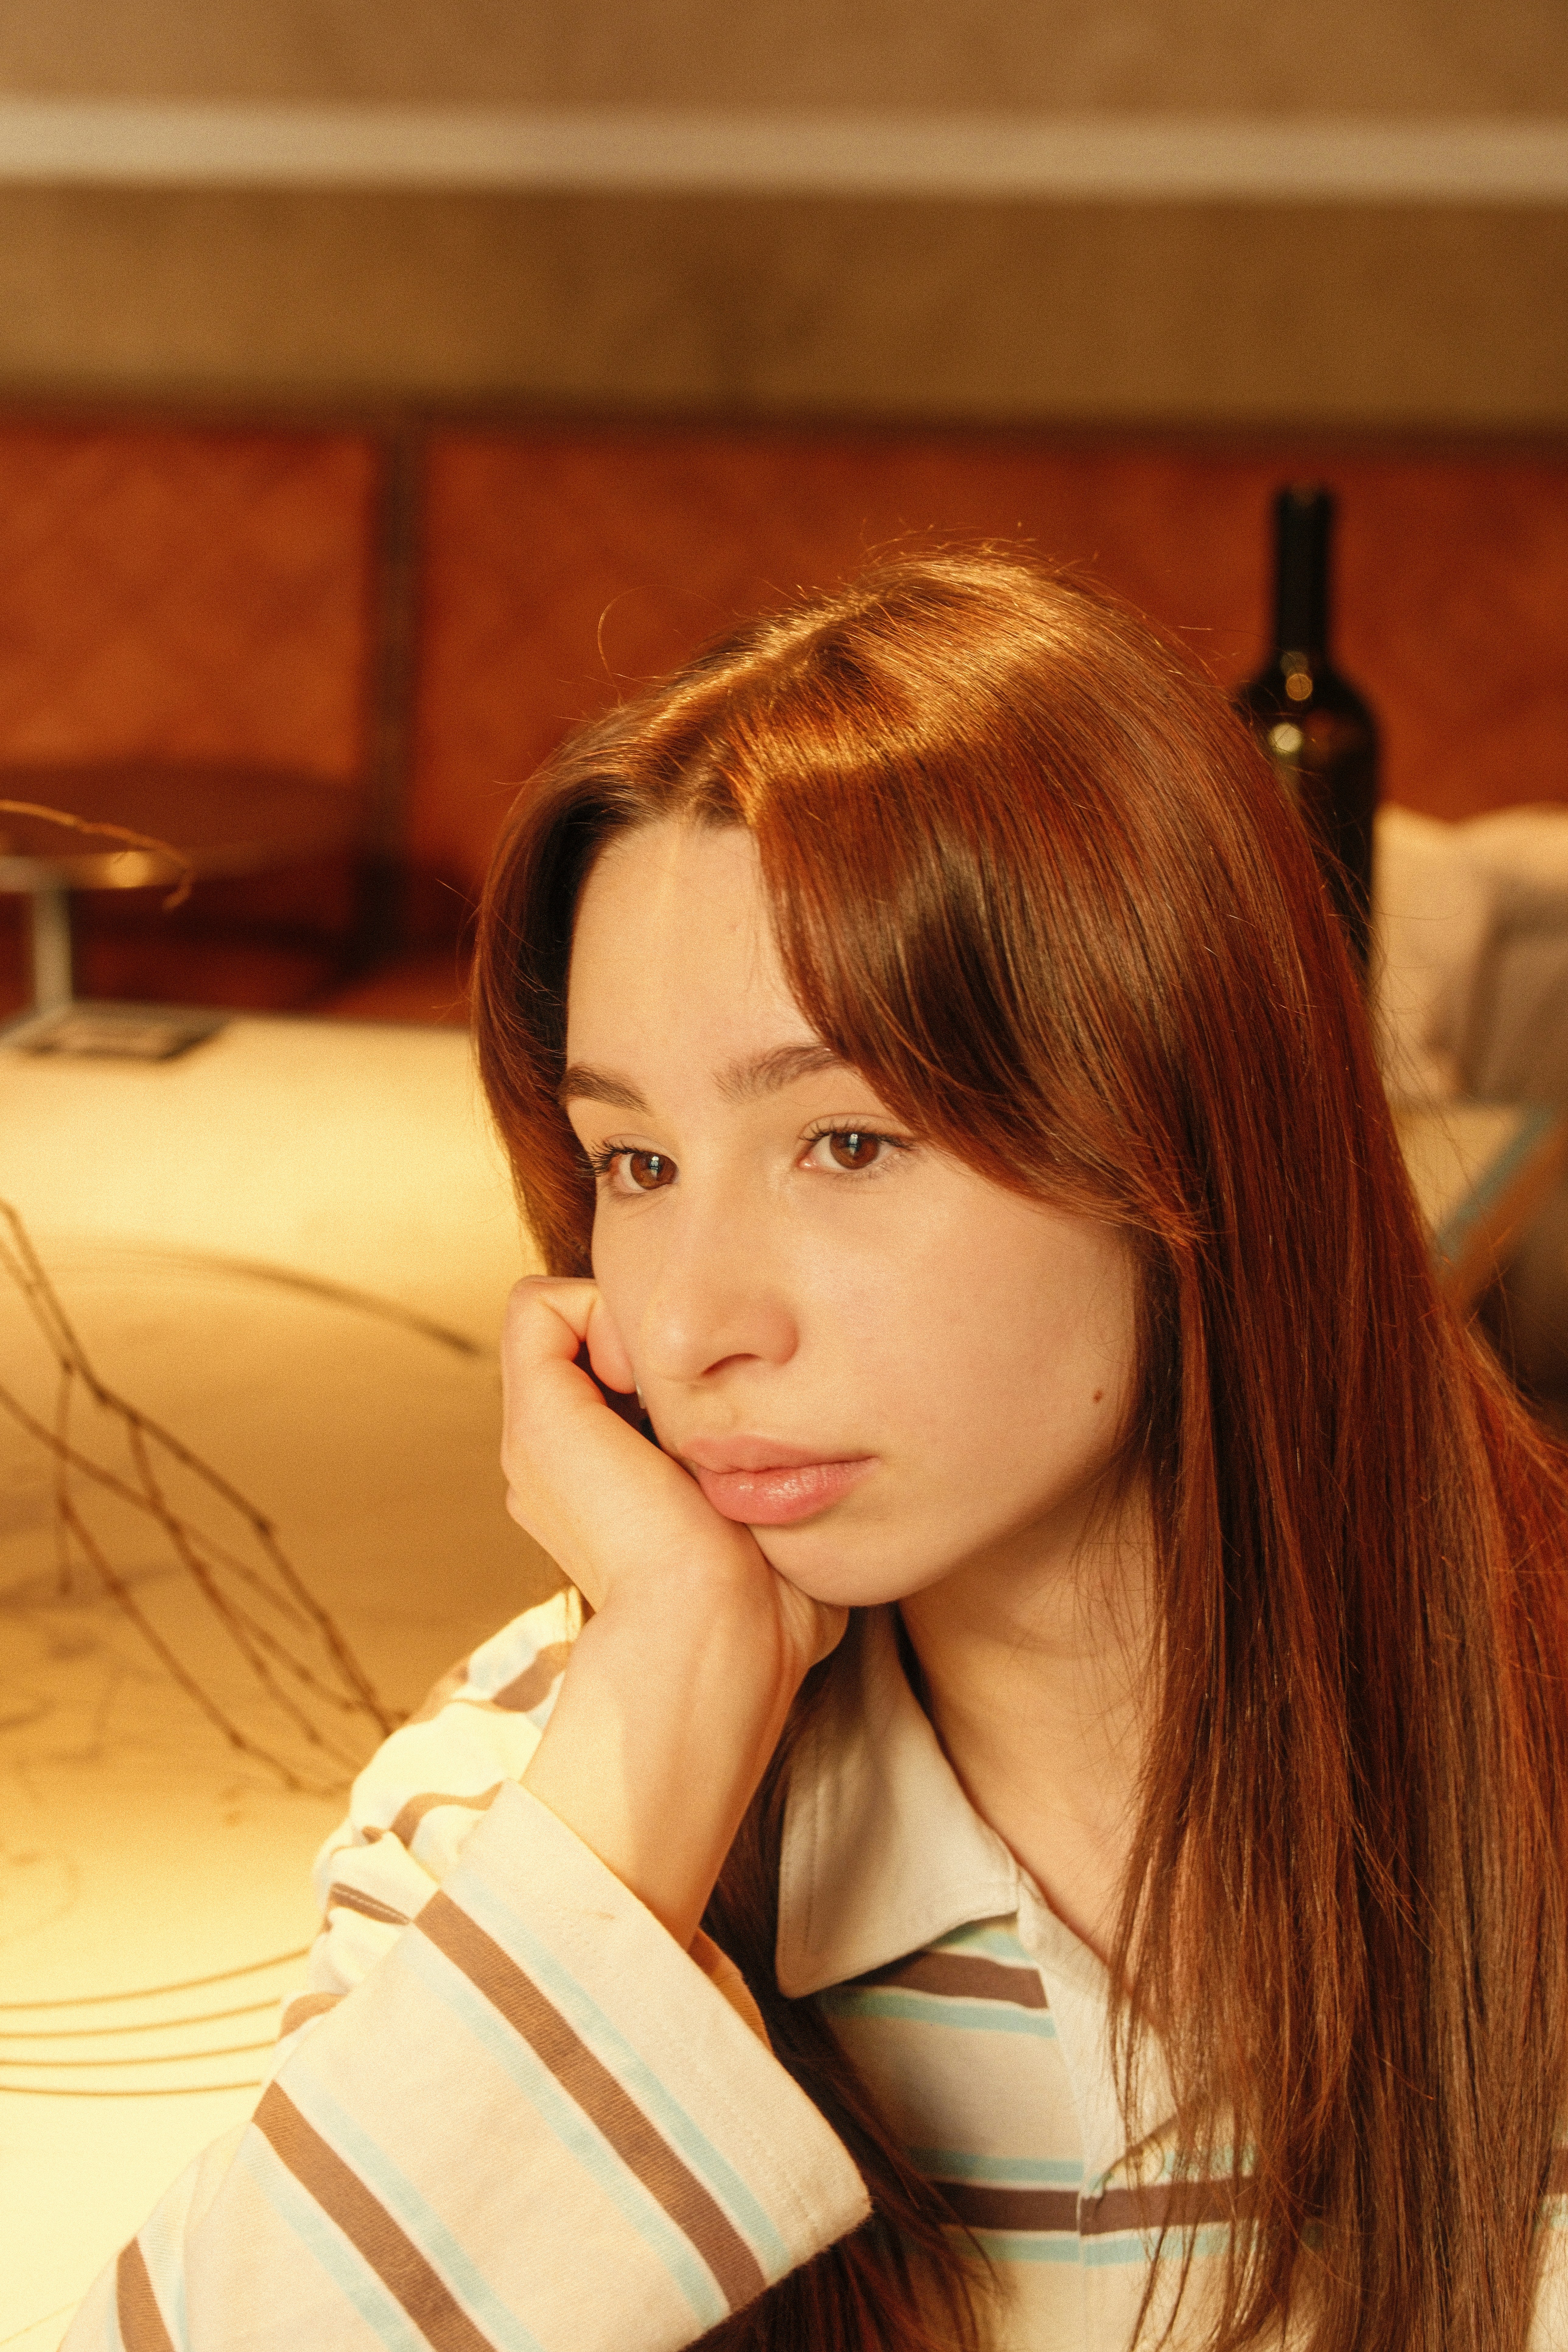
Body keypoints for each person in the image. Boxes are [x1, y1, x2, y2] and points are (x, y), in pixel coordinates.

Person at [67, 552, 1568, 2352]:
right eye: (637, 1164)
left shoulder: (1514, 1775)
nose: (695, 1323)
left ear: (1178, 1105)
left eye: (847, 1143)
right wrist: (655, 1728)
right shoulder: (538, 1807)